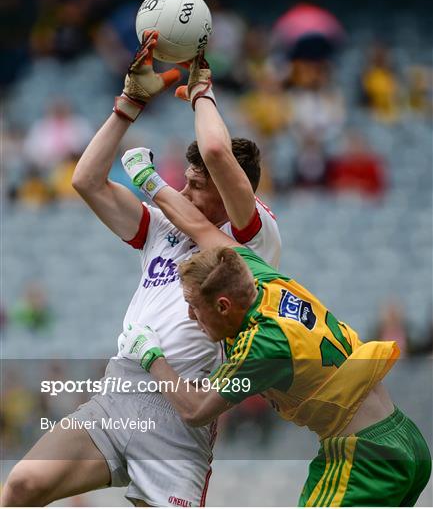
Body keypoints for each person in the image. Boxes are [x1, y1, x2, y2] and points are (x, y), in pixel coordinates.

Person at [2, 32, 281, 507]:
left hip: (179, 415)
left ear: (234, 191)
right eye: (184, 182)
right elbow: (85, 180)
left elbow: (215, 153)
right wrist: (128, 106)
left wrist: (201, 92)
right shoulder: (159, 226)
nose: (186, 190)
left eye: (197, 186)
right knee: (21, 486)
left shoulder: (255, 237)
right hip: (120, 391)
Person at [117, 159, 432, 507]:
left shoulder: (261, 345)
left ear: (223, 305)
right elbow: (195, 224)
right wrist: (149, 179)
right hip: (403, 437)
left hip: (364, 454)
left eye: (194, 305)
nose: (190, 315)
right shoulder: (258, 275)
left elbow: (196, 411)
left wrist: (151, 356)